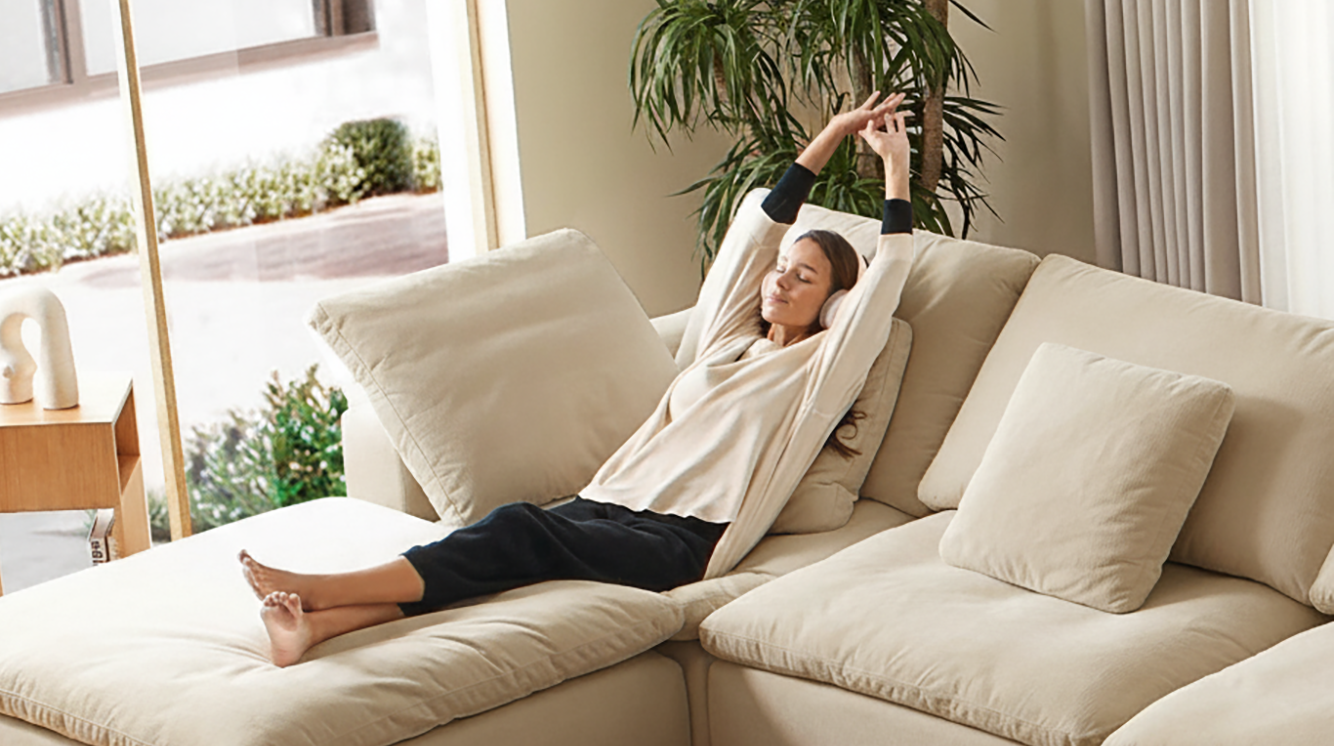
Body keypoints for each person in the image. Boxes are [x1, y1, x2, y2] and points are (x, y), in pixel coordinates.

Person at [241, 92, 914, 665]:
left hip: (681, 542)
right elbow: (754, 238)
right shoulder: (726, 344)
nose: (781, 280)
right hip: (612, 503)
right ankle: (319, 627)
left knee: (514, 530)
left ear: (832, 304)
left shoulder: (815, 371)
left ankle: (323, 588)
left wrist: (895, 170)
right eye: (783, 269)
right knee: (493, 557)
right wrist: (831, 134)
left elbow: (882, 282)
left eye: (806, 277)